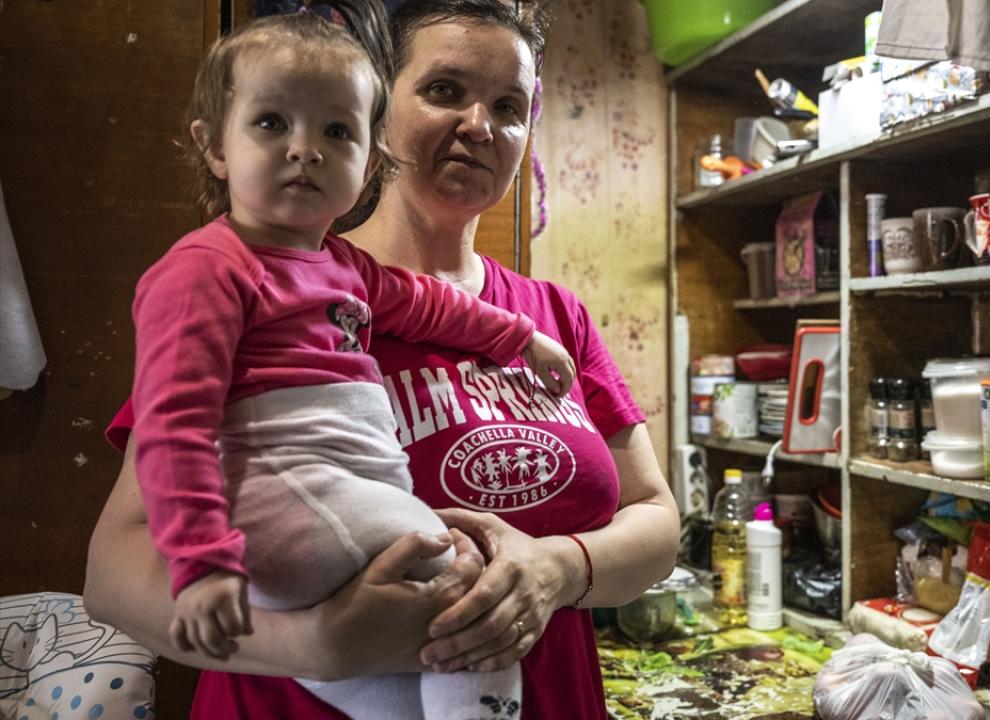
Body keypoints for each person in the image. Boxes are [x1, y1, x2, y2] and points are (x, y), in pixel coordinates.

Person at [83, 1, 680, 718]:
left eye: (509, 106)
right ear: (376, 115)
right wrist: (314, 646)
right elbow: (113, 573)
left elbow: (653, 517)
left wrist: (558, 569)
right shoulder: (273, 291)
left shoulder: (554, 317)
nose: (480, 125)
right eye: (445, 90)